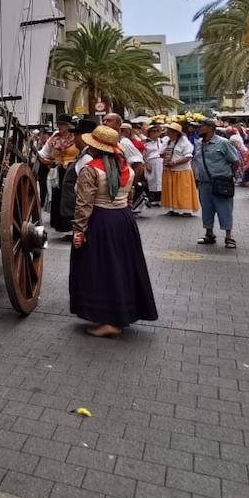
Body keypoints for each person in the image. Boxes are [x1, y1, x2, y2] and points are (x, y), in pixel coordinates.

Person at [68, 125, 158, 338]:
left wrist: (79, 230)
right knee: (122, 266)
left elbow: (84, 204)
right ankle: (120, 312)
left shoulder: (91, 169)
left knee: (101, 269)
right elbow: (129, 195)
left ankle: (110, 320)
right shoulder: (124, 165)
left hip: (101, 221)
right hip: (123, 220)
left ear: (95, 147)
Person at [192, 119, 239, 247]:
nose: (198, 129)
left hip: (221, 182)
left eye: (201, 126)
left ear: (210, 128)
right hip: (204, 183)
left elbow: (235, 162)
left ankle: (229, 237)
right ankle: (209, 234)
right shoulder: (198, 144)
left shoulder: (223, 143)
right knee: (207, 209)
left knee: (224, 209)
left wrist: (227, 176)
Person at [37, 116, 80, 233]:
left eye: (62, 124)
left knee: (71, 196)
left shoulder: (75, 136)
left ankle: (74, 225)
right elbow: (43, 153)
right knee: (59, 196)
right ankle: (63, 225)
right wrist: (41, 157)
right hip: (58, 171)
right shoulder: (55, 137)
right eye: (59, 124)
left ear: (69, 125)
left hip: (74, 170)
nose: (60, 127)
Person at [160, 121, 199, 217]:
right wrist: (164, 154)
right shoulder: (166, 141)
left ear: (175, 132)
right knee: (170, 191)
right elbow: (161, 153)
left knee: (183, 191)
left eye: (169, 131)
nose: (167, 132)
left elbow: (188, 156)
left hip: (182, 170)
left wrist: (174, 163)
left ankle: (186, 209)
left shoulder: (184, 142)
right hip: (169, 170)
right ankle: (172, 208)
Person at [143, 123, 167, 207]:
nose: (155, 133)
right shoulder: (146, 143)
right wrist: (146, 164)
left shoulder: (162, 141)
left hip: (161, 162)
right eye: (153, 131)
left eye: (157, 131)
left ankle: (161, 198)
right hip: (151, 162)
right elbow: (144, 154)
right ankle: (153, 198)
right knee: (152, 180)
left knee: (161, 179)